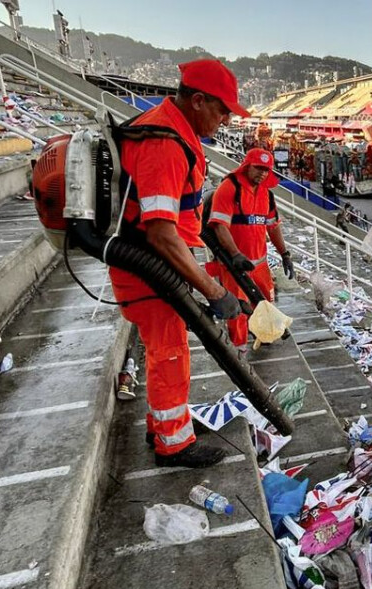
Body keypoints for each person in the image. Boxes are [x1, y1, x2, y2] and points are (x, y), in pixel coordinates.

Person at [108, 59, 244, 469]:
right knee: (169, 355)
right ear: (198, 100)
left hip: (160, 269)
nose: (224, 120)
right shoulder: (166, 142)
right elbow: (162, 234)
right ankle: (174, 445)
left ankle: (167, 424)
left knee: (167, 352)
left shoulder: (173, 130)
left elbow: (178, 216)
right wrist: (214, 290)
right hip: (152, 270)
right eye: (222, 111)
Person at [207, 147, 295, 351]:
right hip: (233, 265)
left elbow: (273, 227)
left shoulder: (267, 195)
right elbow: (220, 225)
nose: (262, 173)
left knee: (264, 304)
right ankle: (238, 348)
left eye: (266, 170)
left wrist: (285, 254)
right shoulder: (230, 188)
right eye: (258, 168)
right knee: (236, 309)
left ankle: (263, 335)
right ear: (247, 166)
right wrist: (235, 255)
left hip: (259, 264)